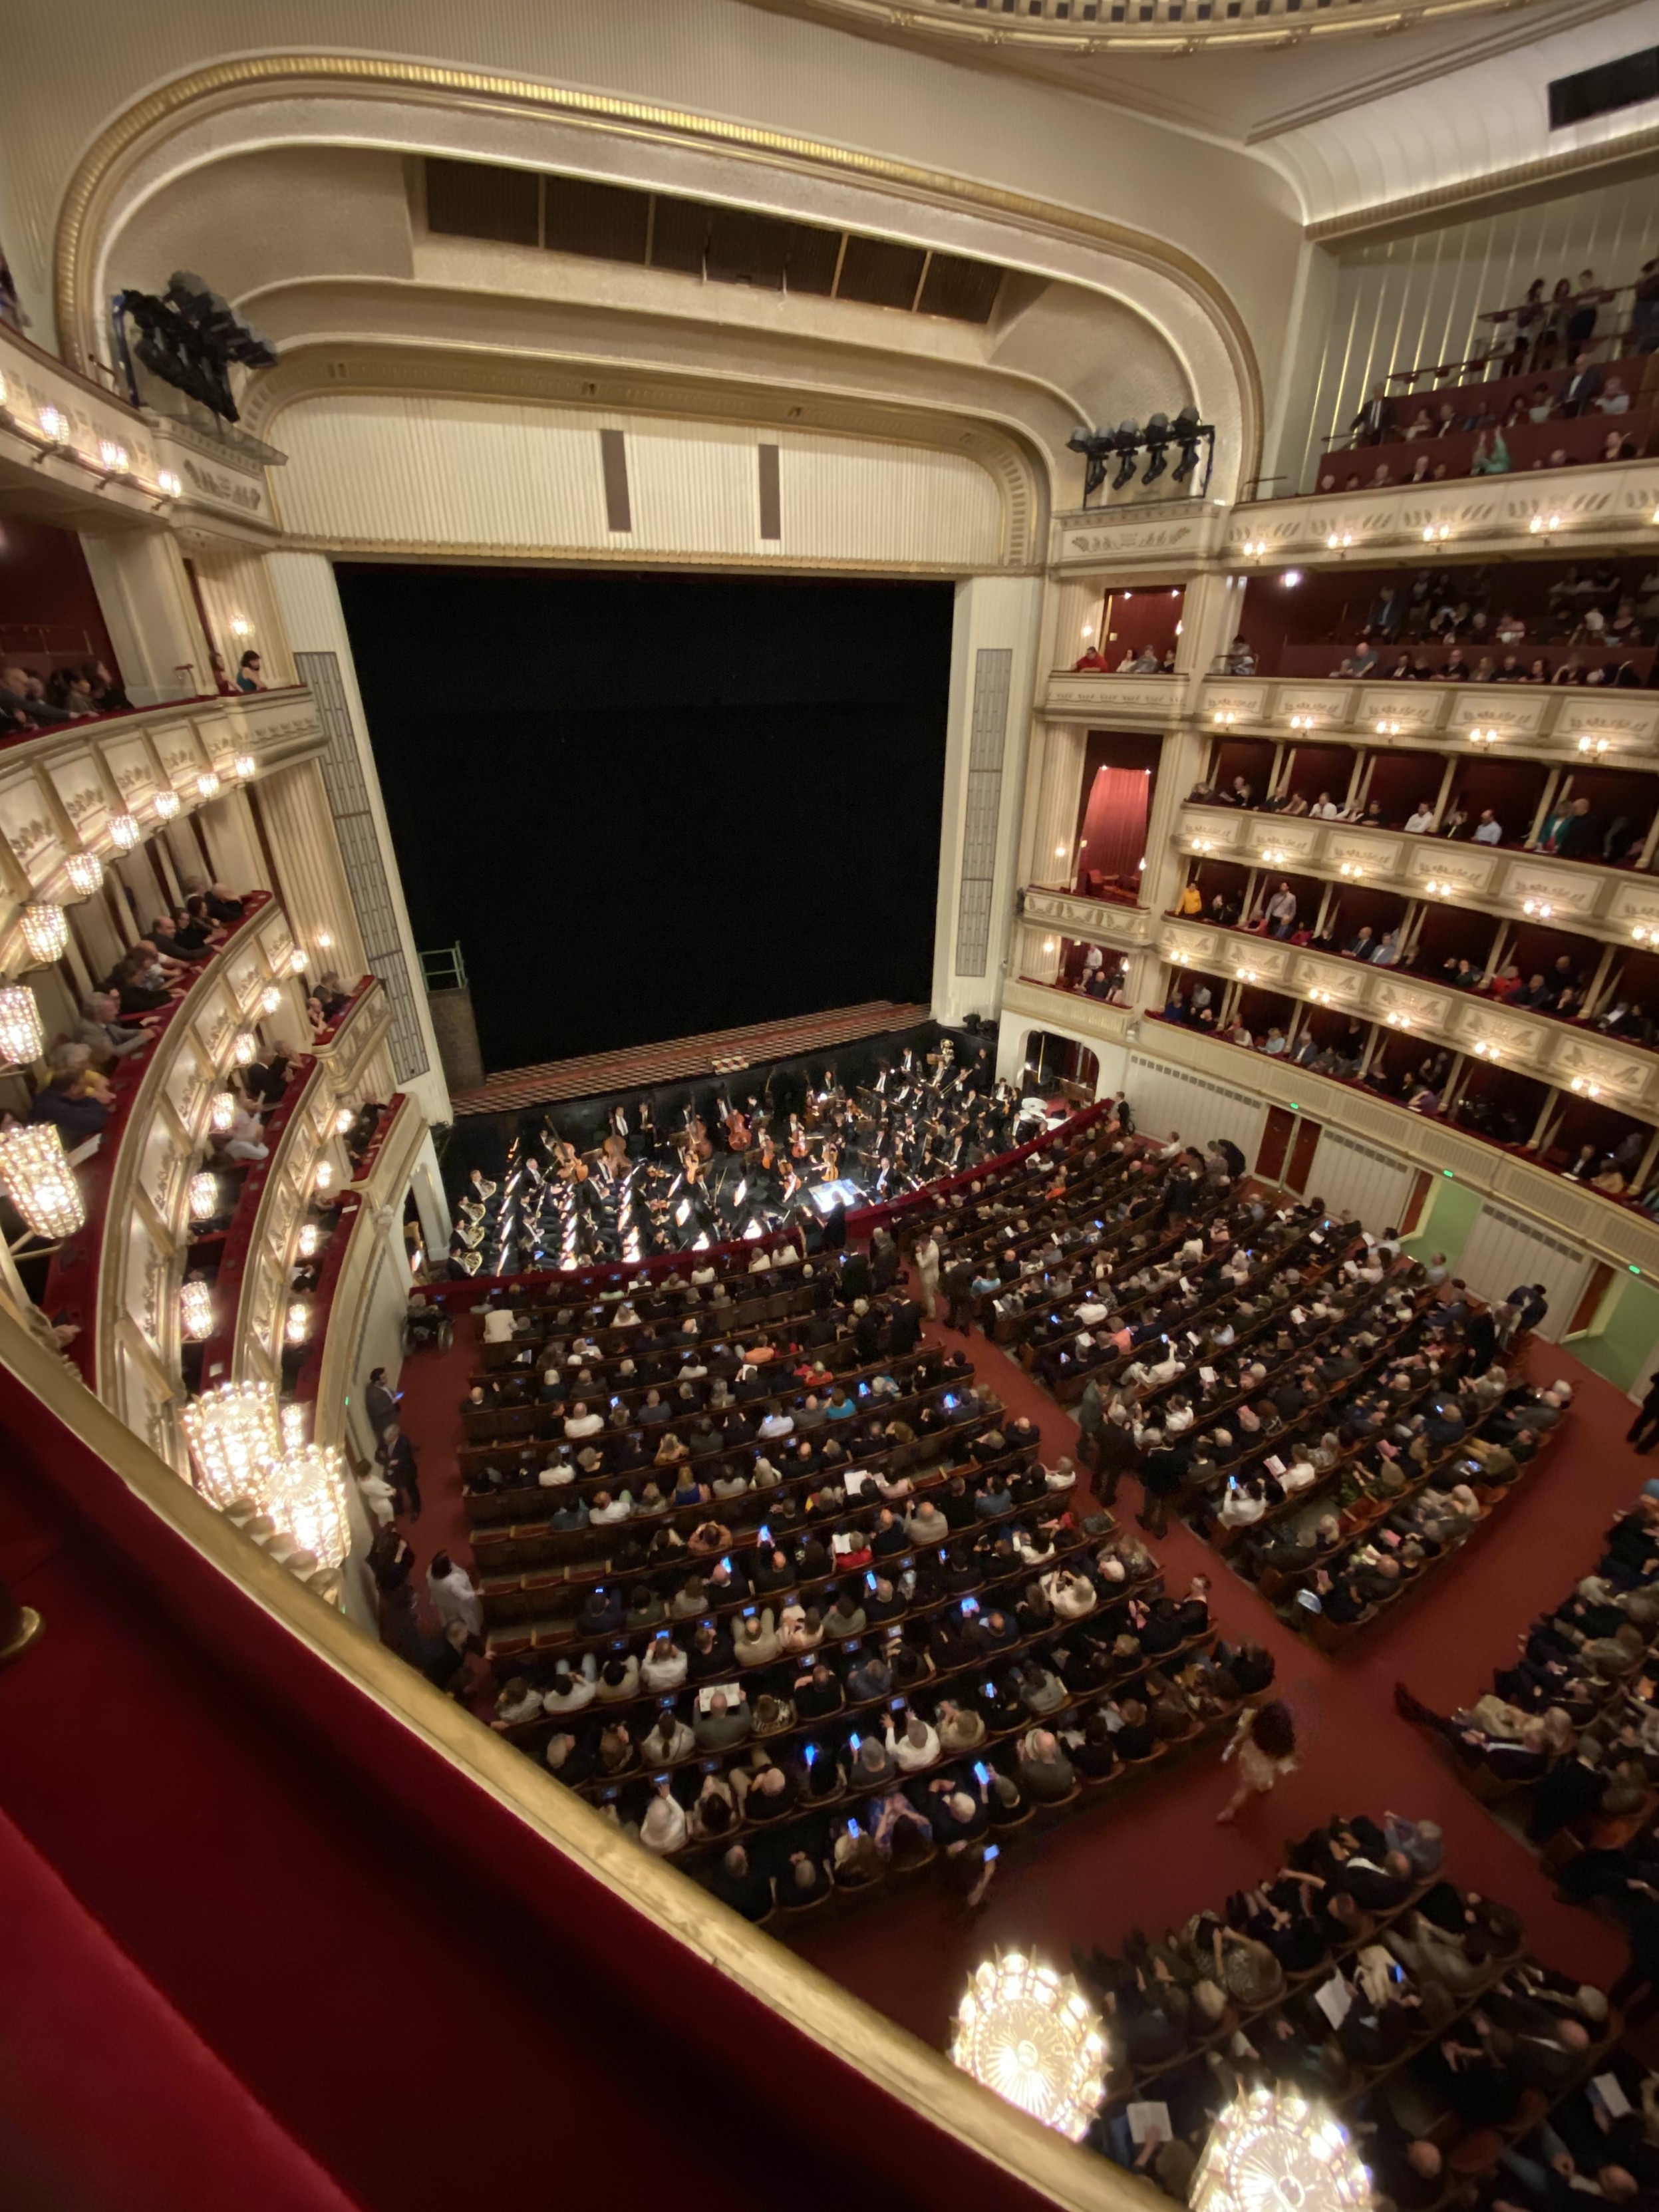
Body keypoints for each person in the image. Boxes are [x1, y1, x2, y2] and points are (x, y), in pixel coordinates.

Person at [1216, 1698, 1298, 1823]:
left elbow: (1239, 1736)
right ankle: (1229, 1810)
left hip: (1247, 1757)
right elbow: (1281, 1761)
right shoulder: (1280, 1742)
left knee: (1245, 1782)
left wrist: (1229, 1750)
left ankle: (1233, 1807)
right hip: (1261, 1767)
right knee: (1245, 1789)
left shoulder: (1252, 1721)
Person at [427, 1550, 482, 1636]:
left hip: (444, 1604)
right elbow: (464, 1596)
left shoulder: (431, 1574)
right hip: (457, 1606)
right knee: (466, 1623)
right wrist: (477, 1593)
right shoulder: (453, 1581)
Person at [377, 1420, 420, 1519]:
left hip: (406, 1472)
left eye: (389, 1440)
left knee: (412, 1490)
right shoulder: (383, 1442)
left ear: (395, 1436)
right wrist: (388, 1462)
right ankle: (399, 1508)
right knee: (395, 1492)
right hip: (391, 1475)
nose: (386, 1442)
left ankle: (416, 1509)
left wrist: (397, 1463)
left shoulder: (404, 1442)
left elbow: (407, 1459)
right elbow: (378, 1457)